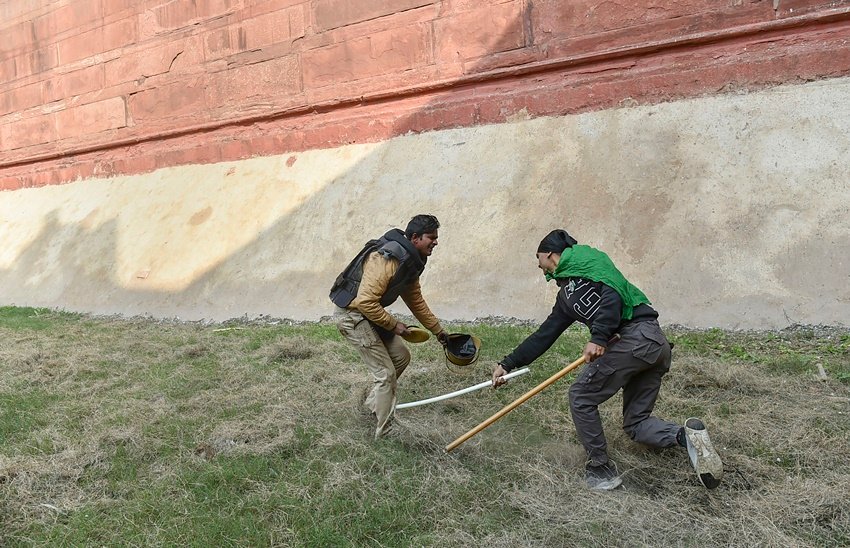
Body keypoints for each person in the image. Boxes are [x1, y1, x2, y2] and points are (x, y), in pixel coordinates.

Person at [492, 229, 723, 490]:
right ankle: (686, 438)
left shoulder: (592, 261)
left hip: (635, 337)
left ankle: (600, 468)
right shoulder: (567, 294)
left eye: (538, 258)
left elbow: (612, 295)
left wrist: (599, 337)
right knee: (636, 424)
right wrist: (507, 363)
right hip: (652, 347)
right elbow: (546, 334)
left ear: (548, 254)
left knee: (580, 396)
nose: (538, 265)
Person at [330, 214, 449, 439]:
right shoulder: (388, 258)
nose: (435, 242)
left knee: (401, 357)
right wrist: (395, 326)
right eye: (431, 237)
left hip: (370, 315)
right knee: (385, 373)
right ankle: (385, 433)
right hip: (352, 316)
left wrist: (439, 331)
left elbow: (416, 302)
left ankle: (372, 407)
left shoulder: (411, 262)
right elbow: (365, 301)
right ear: (415, 238)